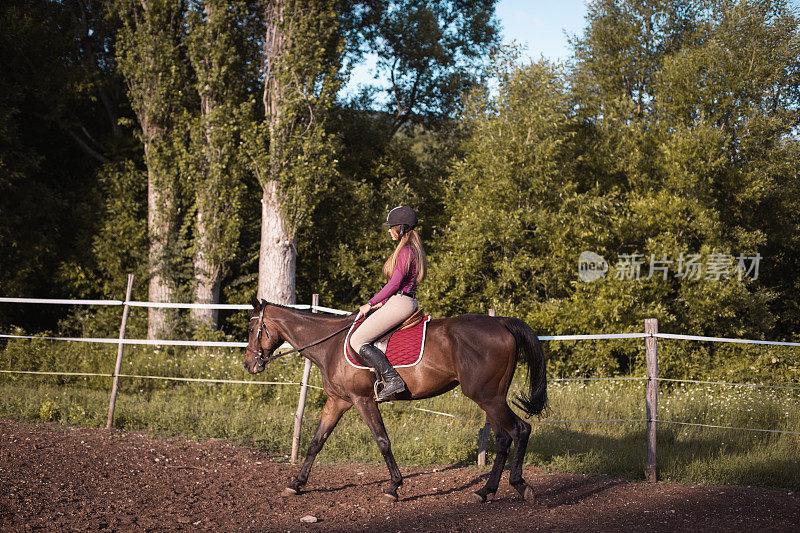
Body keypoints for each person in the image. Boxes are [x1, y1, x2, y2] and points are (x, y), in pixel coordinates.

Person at [350, 205, 427, 401]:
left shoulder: (406, 251)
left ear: (400, 228)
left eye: (391, 226)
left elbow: (394, 283)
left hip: (401, 302)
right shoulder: (411, 249)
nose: (389, 230)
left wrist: (370, 302)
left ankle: (393, 380)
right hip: (401, 301)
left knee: (356, 340)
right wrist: (382, 302)